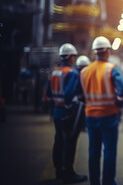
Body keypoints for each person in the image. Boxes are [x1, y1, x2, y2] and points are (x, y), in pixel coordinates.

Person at [79, 36, 123, 185]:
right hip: (108, 116)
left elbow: (79, 95)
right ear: (107, 51)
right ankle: (108, 182)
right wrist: (118, 106)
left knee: (93, 151)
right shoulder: (111, 69)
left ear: (95, 52)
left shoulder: (84, 71)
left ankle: (94, 182)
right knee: (109, 151)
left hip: (90, 117)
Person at [46, 43, 87, 183]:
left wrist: (57, 105)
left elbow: (48, 94)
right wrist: (70, 109)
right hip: (67, 114)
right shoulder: (72, 73)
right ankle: (69, 173)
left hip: (57, 112)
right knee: (70, 143)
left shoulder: (54, 72)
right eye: (74, 56)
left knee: (58, 142)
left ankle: (59, 172)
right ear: (70, 57)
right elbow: (68, 94)